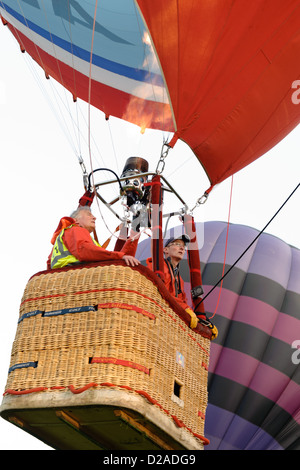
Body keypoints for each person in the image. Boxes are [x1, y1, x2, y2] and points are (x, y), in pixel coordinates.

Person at [47, 206, 140, 270]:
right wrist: (120, 256)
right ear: (76, 220)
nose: (94, 217)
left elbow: (115, 258)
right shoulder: (75, 229)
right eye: (88, 214)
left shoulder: (65, 236)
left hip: (65, 274)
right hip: (75, 271)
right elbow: (84, 249)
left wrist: (132, 235)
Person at [146, 235, 198, 329]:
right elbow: (162, 293)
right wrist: (186, 309)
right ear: (165, 250)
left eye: (183, 246)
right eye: (177, 244)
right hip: (153, 315)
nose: (182, 248)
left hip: (167, 322)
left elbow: (182, 300)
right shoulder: (158, 267)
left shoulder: (179, 279)